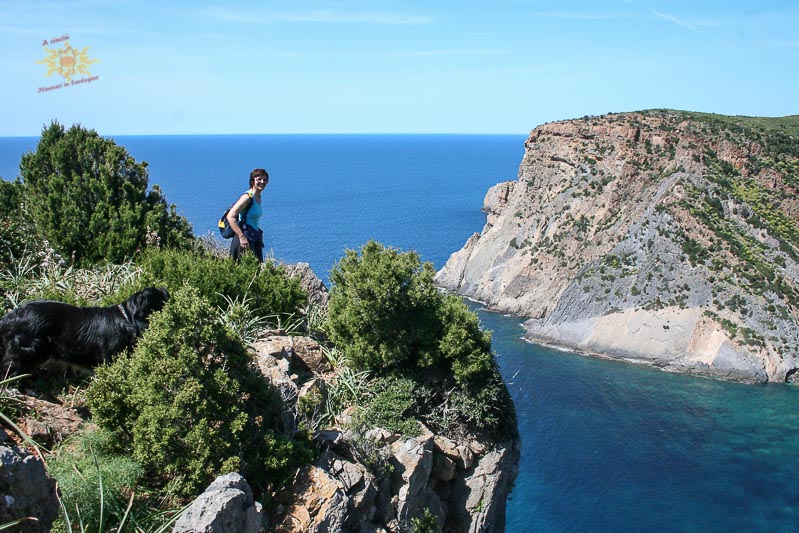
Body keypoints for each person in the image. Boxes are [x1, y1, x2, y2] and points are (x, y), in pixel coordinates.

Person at [227, 168, 268, 262]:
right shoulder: (247, 197)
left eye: (265, 180)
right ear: (252, 181)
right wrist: (241, 237)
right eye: (259, 179)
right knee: (243, 271)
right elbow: (231, 216)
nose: (262, 182)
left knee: (254, 269)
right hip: (244, 240)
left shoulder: (258, 197)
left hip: (253, 236)